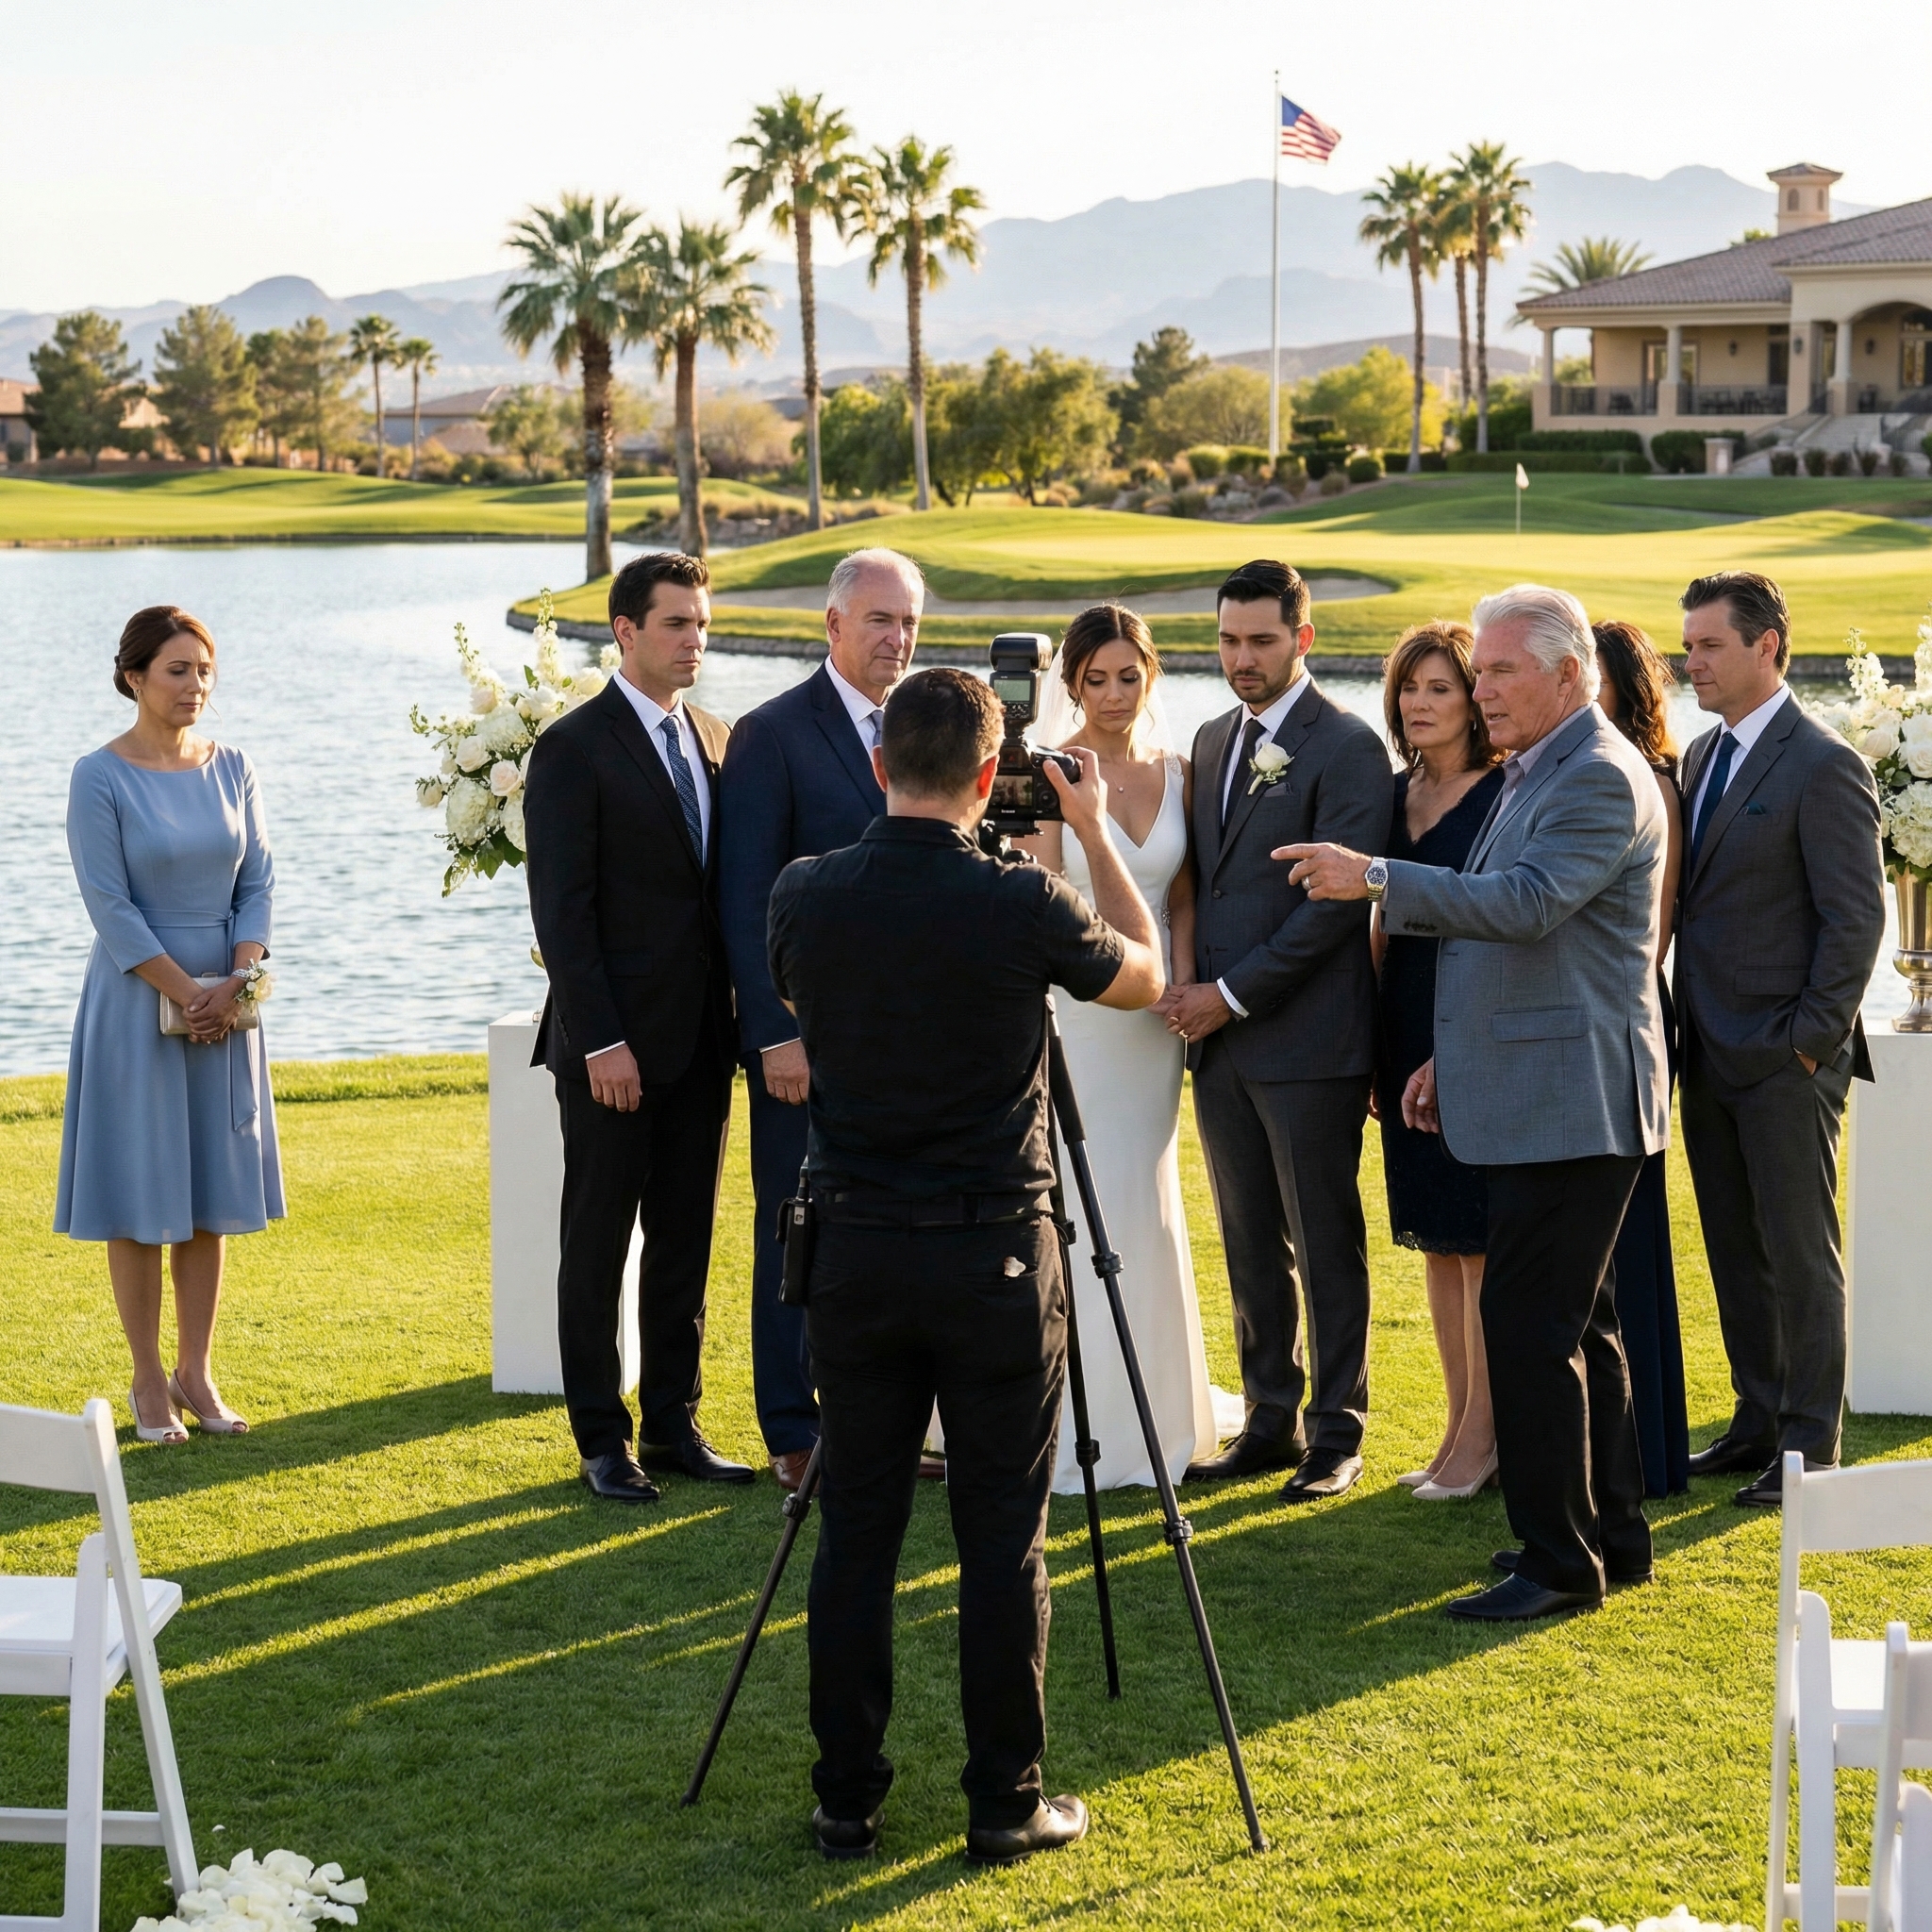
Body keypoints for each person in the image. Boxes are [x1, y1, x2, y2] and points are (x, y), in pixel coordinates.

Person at [766, 668, 1164, 1864]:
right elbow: (1142, 972)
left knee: (858, 1533)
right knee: (1001, 1537)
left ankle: (848, 1795)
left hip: (852, 1252)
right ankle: (1004, 1799)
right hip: (993, 1253)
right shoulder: (1019, 901)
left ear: (879, 761)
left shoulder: (803, 893)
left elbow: (813, 990)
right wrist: (1089, 826)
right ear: (992, 776)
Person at [1281, 583, 1668, 1621]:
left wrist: (1372, 876)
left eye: (1502, 671)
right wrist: (1449, 1059)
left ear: (1568, 673)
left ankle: (1555, 1563)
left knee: (1531, 1326)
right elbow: (1516, 938)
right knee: (1577, 1325)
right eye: (1480, 670)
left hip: (1575, 1100)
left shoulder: (1591, 774)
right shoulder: (1537, 768)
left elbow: (1524, 904)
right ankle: (1608, 1535)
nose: (1484, 689)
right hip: (1539, 1089)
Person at [1164, 559, 1395, 1503]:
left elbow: (1331, 911)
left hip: (1305, 1041)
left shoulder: (1345, 748)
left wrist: (1230, 992)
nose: (1240, 657)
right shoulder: (1214, 737)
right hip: (1218, 1046)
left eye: (1260, 640)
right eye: (1227, 639)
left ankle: (1334, 1431)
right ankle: (1266, 1417)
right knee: (1248, 1237)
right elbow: (1207, 881)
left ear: (1303, 639)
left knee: (1322, 1235)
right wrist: (1192, 992)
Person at [523, 551, 749, 1501]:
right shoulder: (574, 747)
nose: (694, 639)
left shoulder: (716, 735)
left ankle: (674, 1425)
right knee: (598, 1240)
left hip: (703, 1040)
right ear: (624, 631)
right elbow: (561, 915)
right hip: (609, 1046)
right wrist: (601, 1039)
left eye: (699, 622)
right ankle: (600, 1439)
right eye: (675, 623)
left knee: (685, 1239)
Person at [1673, 571, 1885, 1507]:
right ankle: (1755, 1420)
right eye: (1686, 646)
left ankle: (1809, 1444)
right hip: (1704, 1049)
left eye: (1709, 645)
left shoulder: (1823, 762)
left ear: (1767, 646)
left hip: (1783, 1056)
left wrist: (1805, 1041)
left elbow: (1855, 919)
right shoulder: (1695, 757)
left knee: (1799, 1251)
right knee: (1732, 1245)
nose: (1692, 662)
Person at [718, 546, 925, 1491]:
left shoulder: (926, 725)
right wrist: (774, 1030)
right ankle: (791, 1426)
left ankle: (877, 1422)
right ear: (833, 624)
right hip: (806, 1039)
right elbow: (745, 895)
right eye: (879, 619)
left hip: (908, 1039)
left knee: (891, 1233)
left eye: (909, 621)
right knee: (797, 1228)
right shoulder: (771, 734)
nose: (896, 637)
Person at [57, 605, 280, 1444]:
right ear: (134, 678)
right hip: (135, 1002)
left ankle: (197, 1371)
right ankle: (149, 1381)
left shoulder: (237, 767)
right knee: (139, 1196)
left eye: (205, 671)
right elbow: (108, 906)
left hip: (228, 998)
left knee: (210, 1200)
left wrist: (236, 978)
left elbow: (257, 880)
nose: (195, 686)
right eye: (178, 671)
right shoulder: (98, 776)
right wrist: (189, 989)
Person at [1016, 603, 1223, 1490]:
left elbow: (1180, 894)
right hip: (1074, 1016)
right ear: (1069, 685)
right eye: (1092, 679)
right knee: (1068, 1200)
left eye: (1126, 676)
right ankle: (1061, 1424)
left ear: (1151, 676)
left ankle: (1161, 1416)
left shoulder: (1180, 771)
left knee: (1144, 1195)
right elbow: (1032, 892)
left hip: (1149, 1028)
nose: (1110, 694)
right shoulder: (1049, 772)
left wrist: (1179, 980)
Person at [1372, 623, 1506, 1501]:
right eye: (1410, 689)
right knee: (1437, 1246)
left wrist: (1450, 1051)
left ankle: (1487, 1441)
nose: (1421, 704)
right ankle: (1458, 1424)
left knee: (1481, 1243)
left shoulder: (1502, 795)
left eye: (1440, 689)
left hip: (1465, 1026)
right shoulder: (1389, 795)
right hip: (1396, 1024)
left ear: (1473, 701)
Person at [1592, 619, 1690, 1498]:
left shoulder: (1646, 778)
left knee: (1631, 1249)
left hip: (1624, 1013)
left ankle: (1647, 1452)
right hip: (1610, 1008)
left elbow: (1650, 934)